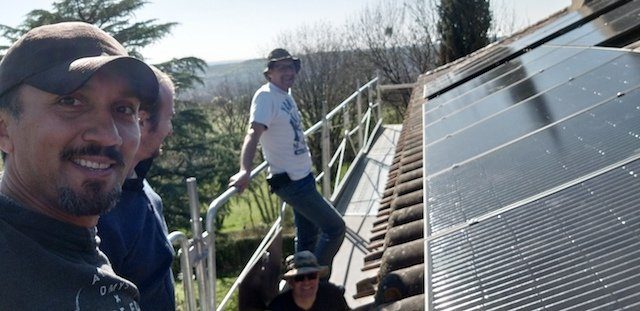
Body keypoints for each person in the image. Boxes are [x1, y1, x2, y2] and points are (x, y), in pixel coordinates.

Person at [0, 22, 159, 309]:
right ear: (3, 129)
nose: (109, 135)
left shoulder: (73, 249)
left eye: (124, 109)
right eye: (70, 101)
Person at [228, 48, 346, 276]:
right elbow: (253, 134)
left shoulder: (286, 95)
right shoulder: (265, 96)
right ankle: (315, 283)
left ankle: (302, 288)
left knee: (308, 238)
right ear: (269, 72)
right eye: (281, 68)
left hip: (304, 177)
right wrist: (245, 170)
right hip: (292, 183)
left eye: (291, 67)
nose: (288, 72)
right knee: (335, 228)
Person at [97, 66, 176, 310]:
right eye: (169, 117)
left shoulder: (139, 182)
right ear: (141, 121)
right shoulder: (99, 211)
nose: (170, 129)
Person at [268, 251, 350, 311]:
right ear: (291, 282)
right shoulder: (278, 307)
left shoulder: (333, 295)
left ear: (318, 277)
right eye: (299, 277)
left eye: (311, 276)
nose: (306, 282)